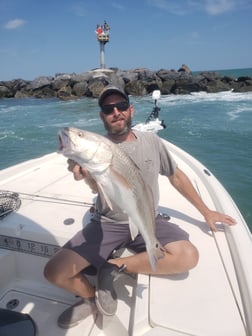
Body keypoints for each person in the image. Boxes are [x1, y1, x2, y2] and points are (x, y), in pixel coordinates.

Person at [44, 86, 236, 329]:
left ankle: (111, 268)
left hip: (146, 216)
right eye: (108, 109)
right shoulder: (100, 149)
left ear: (131, 110)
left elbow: (176, 176)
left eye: (121, 106)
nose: (116, 112)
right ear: (102, 116)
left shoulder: (152, 142)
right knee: (55, 272)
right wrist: (86, 175)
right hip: (108, 222)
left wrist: (206, 212)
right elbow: (98, 188)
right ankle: (91, 297)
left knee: (189, 256)